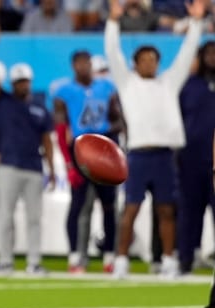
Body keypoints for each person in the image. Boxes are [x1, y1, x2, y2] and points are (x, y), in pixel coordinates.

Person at [105, 0, 205, 278]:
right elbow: (112, 52)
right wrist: (113, 21)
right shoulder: (127, 84)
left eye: (154, 60)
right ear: (135, 64)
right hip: (138, 155)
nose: (150, 63)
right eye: (144, 60)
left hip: (164, 156)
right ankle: (121, 259)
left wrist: (196, 22)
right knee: (131, 210)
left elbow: (186, 55)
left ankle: (169, 260)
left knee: (166, 211)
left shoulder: (169, 83)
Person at [0, 26, 55, 274]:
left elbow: (47, 140)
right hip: (9, 166)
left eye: (26, 81)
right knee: (5, 216)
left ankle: (34, 262)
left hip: (33, 166)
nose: (23, 85)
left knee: (35, 218)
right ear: (12, 84)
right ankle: (5, 261)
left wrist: (53, 169)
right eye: (18, 81)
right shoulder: (4, 101)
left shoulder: (39, 108)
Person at [52, 50, 120, 274]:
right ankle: (75, 256)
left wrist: (113, 142)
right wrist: (70, 163)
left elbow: (117, 119)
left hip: (103, 146)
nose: (83, 66)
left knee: (109, 205)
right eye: (79, 63)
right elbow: (61, 129)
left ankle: (109, 255)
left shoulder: (106, 88)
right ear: (73, 66)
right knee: (78, 205)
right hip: (80, 149)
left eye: (86, 62)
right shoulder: (64, 92)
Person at [177, 41, 215, 274]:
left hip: (214, 162)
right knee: (190, 212)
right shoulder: (188, 86)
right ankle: (187, 257)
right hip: (190, 159)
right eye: (209, 53)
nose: (213, 58)